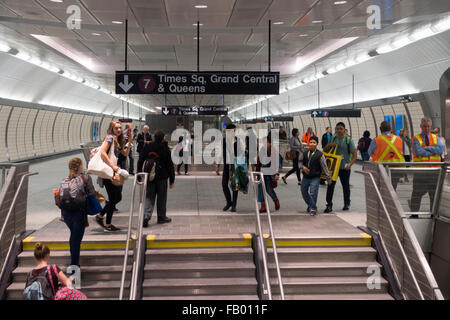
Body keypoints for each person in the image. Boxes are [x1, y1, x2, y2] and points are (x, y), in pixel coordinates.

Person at [95, 120, 131, 232]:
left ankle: (100, 216)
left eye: (120, 127)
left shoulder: (118, 139)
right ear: (112, 129)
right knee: (114, 197)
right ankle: (108, 224)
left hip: (117, 173)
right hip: (109, 173)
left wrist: (129, 140)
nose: (119, 130)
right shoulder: (110, 138)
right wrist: (113, 166)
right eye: (116, 128)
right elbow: (103, 153)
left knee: (116, 197)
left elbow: (125, 153)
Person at [60, 158, 96, 267]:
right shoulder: (85, 177)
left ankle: (74, 264)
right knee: (76, 240)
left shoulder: (65, 180)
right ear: (79, 166)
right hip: (78, 213)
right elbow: (92, 193)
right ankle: (74, 267)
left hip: (66, 213)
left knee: (74, 237)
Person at [139, 129, 175, 227]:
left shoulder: (148, 146)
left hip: (150, 176)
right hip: (162, 176)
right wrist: (172, 179)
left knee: (149, 196)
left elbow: (141, 160)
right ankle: (161, 217)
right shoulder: (165, 148)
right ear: (163, 138)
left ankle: (146, 215)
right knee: (162, 197)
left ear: (154, 137)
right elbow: (170, 165)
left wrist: (139, 175)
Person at [409, 118, 444, 212]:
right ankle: (414, 214)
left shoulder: (435, 137)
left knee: (434, 195)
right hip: (421, 172)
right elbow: (419, 152)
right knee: (417, 194)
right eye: (425, 126)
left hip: (435, 171)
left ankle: (432, 214)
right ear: (421, 126)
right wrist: (433, 151)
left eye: (428, 126)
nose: (427, 128)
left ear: (430, 126)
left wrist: (427, 148)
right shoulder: (416, 138)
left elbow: (440, 150)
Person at [322, 122, 357, 213]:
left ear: (344, 130)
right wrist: (329, 145)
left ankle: (346, 203)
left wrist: (350, 164)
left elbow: (354, 154)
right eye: (337, 129)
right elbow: (325, 150)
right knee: (330, 185)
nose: (339, 131)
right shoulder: (333, 138)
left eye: (341, 129)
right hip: (333, 168)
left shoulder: (348, 140)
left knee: (345, 186)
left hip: (344, 168)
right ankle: (329, 205)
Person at [300, 136, 332, 215]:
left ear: (317, 144)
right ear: (308, 143)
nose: (312, 144)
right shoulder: (304, 153)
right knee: (303, 192)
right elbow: (299, 162)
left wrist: (328, 178)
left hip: (315, 177)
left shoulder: (320, 155)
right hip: (306, 177)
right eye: (311, 142)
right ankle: (311, 205)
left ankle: (313, 209)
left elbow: (324, 167)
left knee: (313, 192)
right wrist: (303, 167)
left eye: (314, 142)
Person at [368, 121, 404, 190]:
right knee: (393, 189)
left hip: (381, 169)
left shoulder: (376, 140)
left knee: (382, 189)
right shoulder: (398, 139)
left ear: (380, 129)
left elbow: (369, 152)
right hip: (396, 169)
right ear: (390, 129)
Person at [256, 134, 280, 213]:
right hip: (262, 172)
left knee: (269, 190)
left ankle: (276, 200)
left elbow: (277, 163)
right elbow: (259, 162)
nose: (264, 144)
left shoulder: (274, 151)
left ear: (270, 143)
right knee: (261, 190)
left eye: (266, 142)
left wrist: (277, 173)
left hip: (270, 173)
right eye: (263, 143)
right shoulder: (262, 150)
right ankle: (263, 207)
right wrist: (257, 173)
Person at [222, 124, 239, 212]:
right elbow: (222, 153)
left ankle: (234, 205)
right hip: (226, 165)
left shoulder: (237, 141)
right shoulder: (224, 141)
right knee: (224, 184)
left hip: (234, 166)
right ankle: (229, 202)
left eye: (235, 131)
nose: (234, 132)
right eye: (233, 130)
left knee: (234, 186)